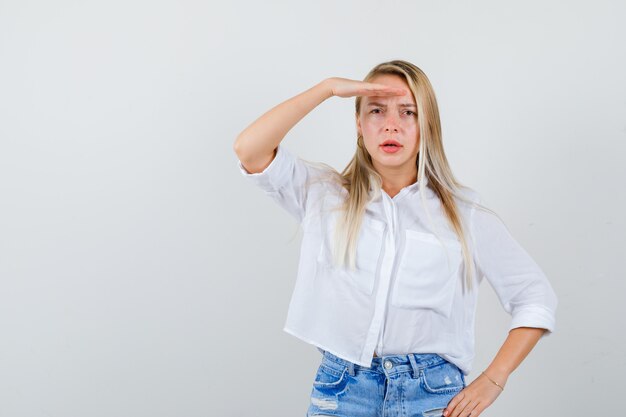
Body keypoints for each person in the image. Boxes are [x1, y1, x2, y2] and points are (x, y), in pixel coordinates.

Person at [233, 60, 558, 417]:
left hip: (434, 397)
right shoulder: (322, 195)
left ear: (427, 126)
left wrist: (495, 378)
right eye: (376, 110)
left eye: (408, 112)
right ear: (359, 124)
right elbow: (249, 150)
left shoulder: (464, 215)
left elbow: (534, 297)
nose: (391, 124)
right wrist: (326, 89)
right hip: (342, 393)